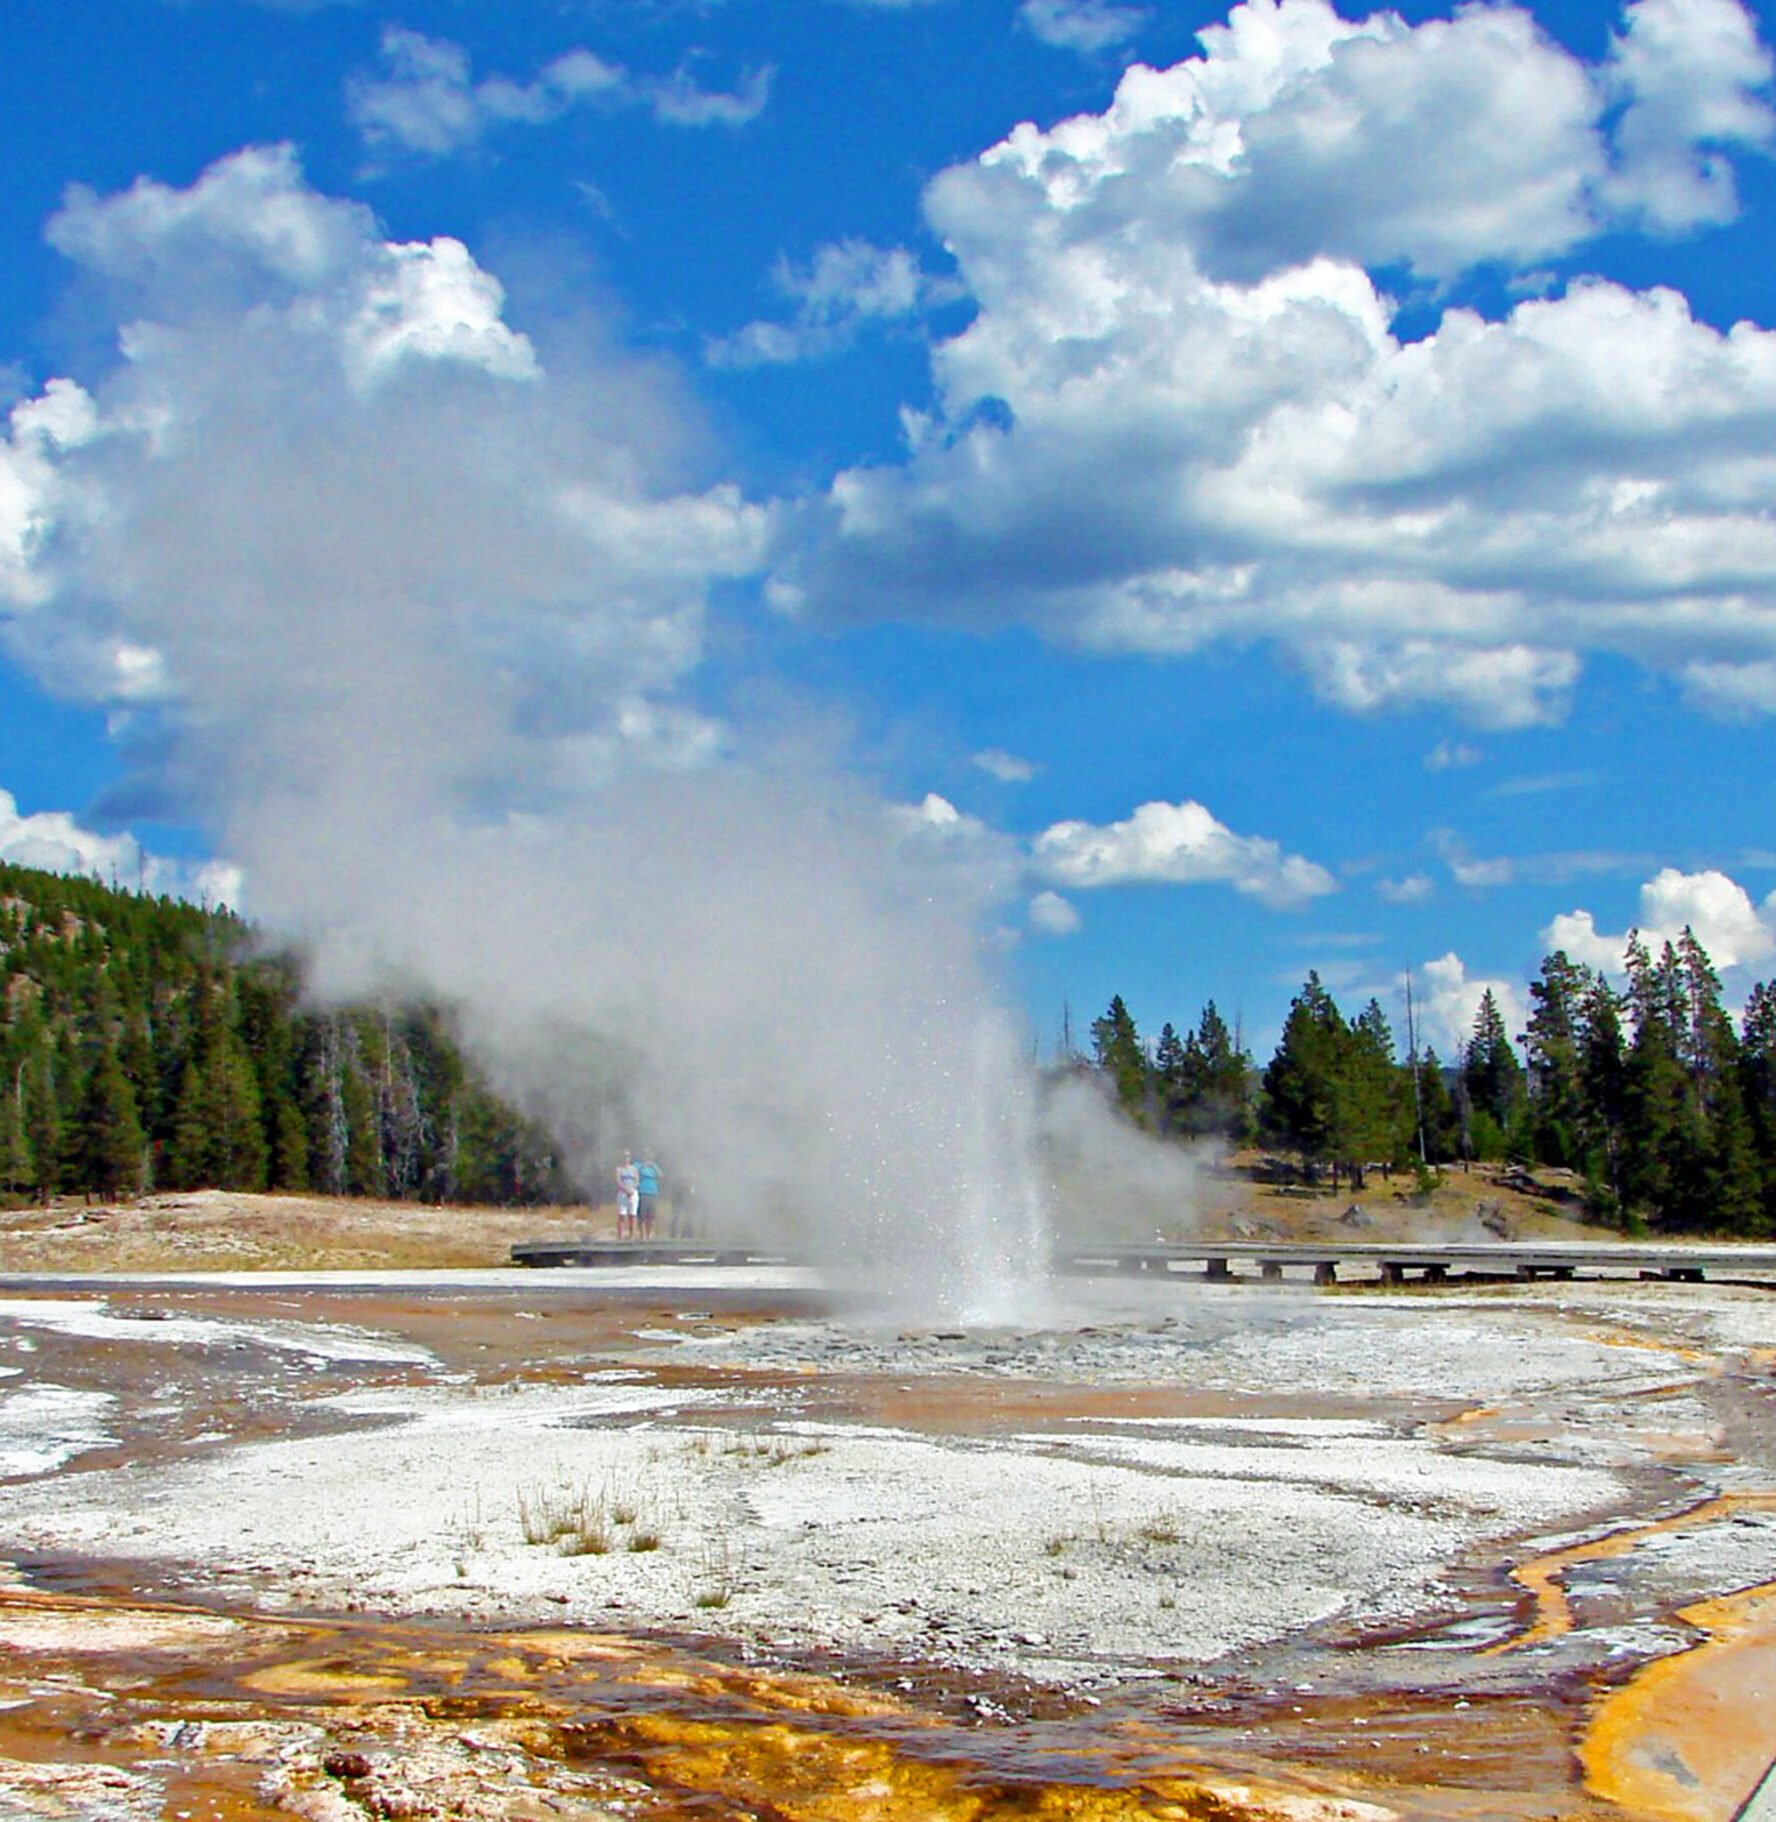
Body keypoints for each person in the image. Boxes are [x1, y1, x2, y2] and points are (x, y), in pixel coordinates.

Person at [635, 1154, 661, 1239]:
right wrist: (643, 1166)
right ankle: (641, 1235)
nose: (648, 1159)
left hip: (653, 1192)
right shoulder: (638, 1165)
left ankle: (648, 1234)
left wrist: (653, 1165)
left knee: (651, 1215)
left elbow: (661, 1175)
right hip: (642, 1191)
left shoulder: (653, 1167)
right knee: (642, 1215)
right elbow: (635, 1172)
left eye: (650, 1157)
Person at [614, 1153, 639, 1240]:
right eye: (624, 1156)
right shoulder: (619, 1169)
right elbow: (618, 1181)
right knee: (622, 1215)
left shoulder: (634, 1169)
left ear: (630, 1158)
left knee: (632, 1215)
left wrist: (632, 1190)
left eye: (628, 1156)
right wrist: (626, 1190)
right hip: (622, 1194)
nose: (626, 1158)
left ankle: (632, 1236)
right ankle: (620, 1236)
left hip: (633, 1193)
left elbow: (637, 1181)